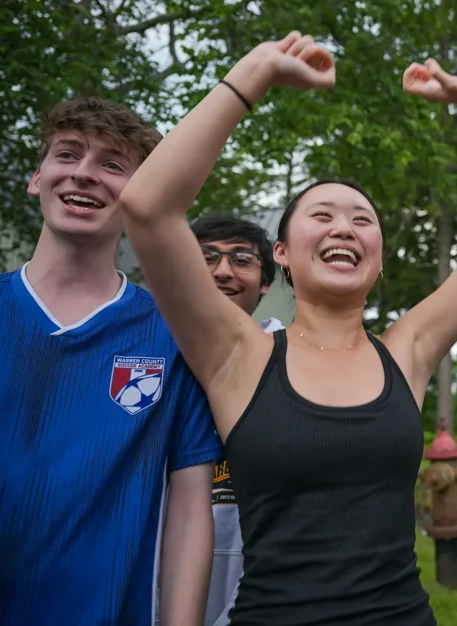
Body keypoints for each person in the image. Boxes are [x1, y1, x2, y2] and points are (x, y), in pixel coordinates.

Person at [119, 32, 457, 625]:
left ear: (378, 258)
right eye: (322, 215)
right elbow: (148, 206)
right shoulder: (238, 353)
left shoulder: (407, 352)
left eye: (362, 219)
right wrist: (253, 73)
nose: (344, 228)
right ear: (281, 253)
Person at [0, 98, 221, 625]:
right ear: (37, 178)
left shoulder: (174, 334)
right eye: (68, 154)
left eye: (112, 164)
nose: (84, 174)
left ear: (140, 197)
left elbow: (190, 509)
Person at [189, 215, 284, 626]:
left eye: (241, 259)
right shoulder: (143, 360)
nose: (222, 270)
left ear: (266, 282)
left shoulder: (292, 368)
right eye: (206, 257)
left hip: (261, 596)